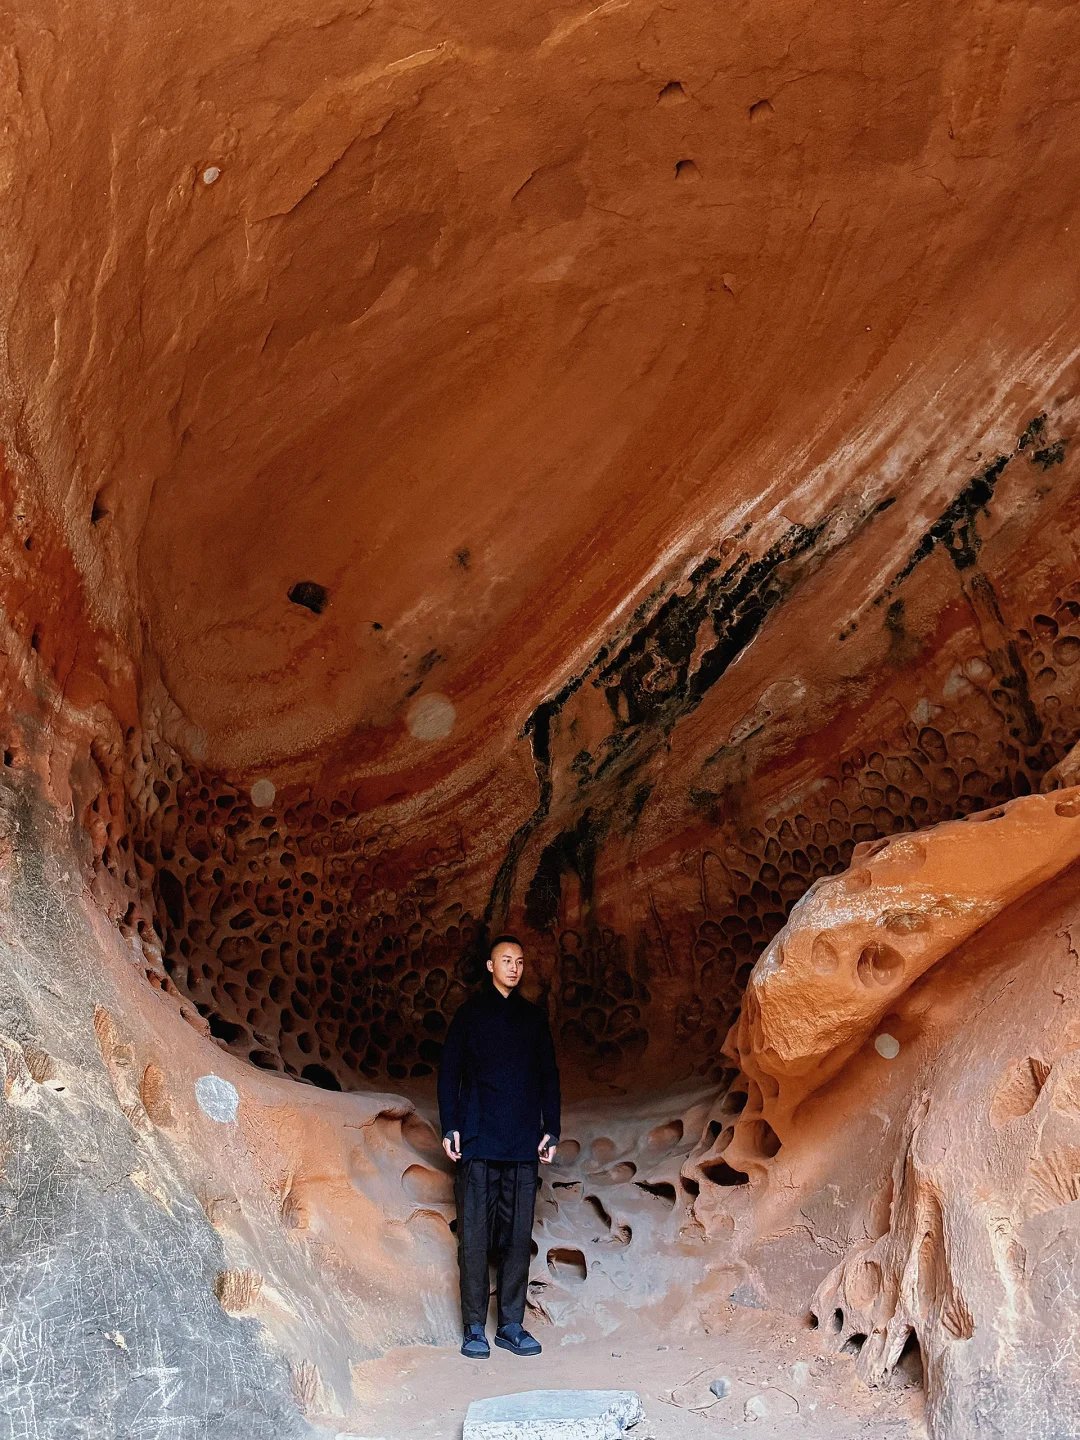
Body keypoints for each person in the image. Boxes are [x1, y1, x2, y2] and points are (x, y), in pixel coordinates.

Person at [438, 934, 561, 1360]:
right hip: (477, 1142)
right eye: (506, 960)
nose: (514, 967)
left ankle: (510, 1324)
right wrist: (450, 1126)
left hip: (523, 1144)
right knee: (473, 1238)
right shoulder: (469, 1015)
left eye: (520, 961)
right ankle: (474, 1327)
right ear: (490, 966)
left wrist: (553, 1129)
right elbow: (448, 1073)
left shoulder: (532, 1018)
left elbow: (549, 1075)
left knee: (515, 1238)